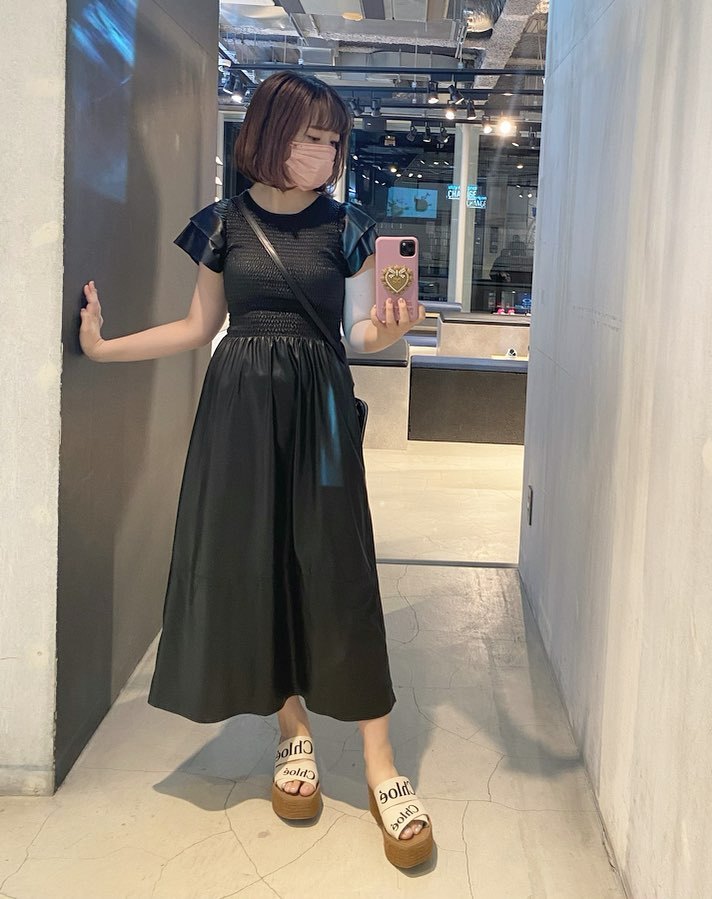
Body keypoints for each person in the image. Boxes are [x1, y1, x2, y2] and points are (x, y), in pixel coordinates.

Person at [78, 72, 433, 869]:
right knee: (257, 562)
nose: (326, 152)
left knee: (341, 570)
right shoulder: (223, 223)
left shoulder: (348, 226)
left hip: (321, 410)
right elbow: (197, 324)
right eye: (312, 137)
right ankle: (291, 730)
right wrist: (103, 348)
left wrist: (391, 326)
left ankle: (380, 762)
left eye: (334, 140)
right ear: (271, 135)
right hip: (238, 408)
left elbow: (358, 335)